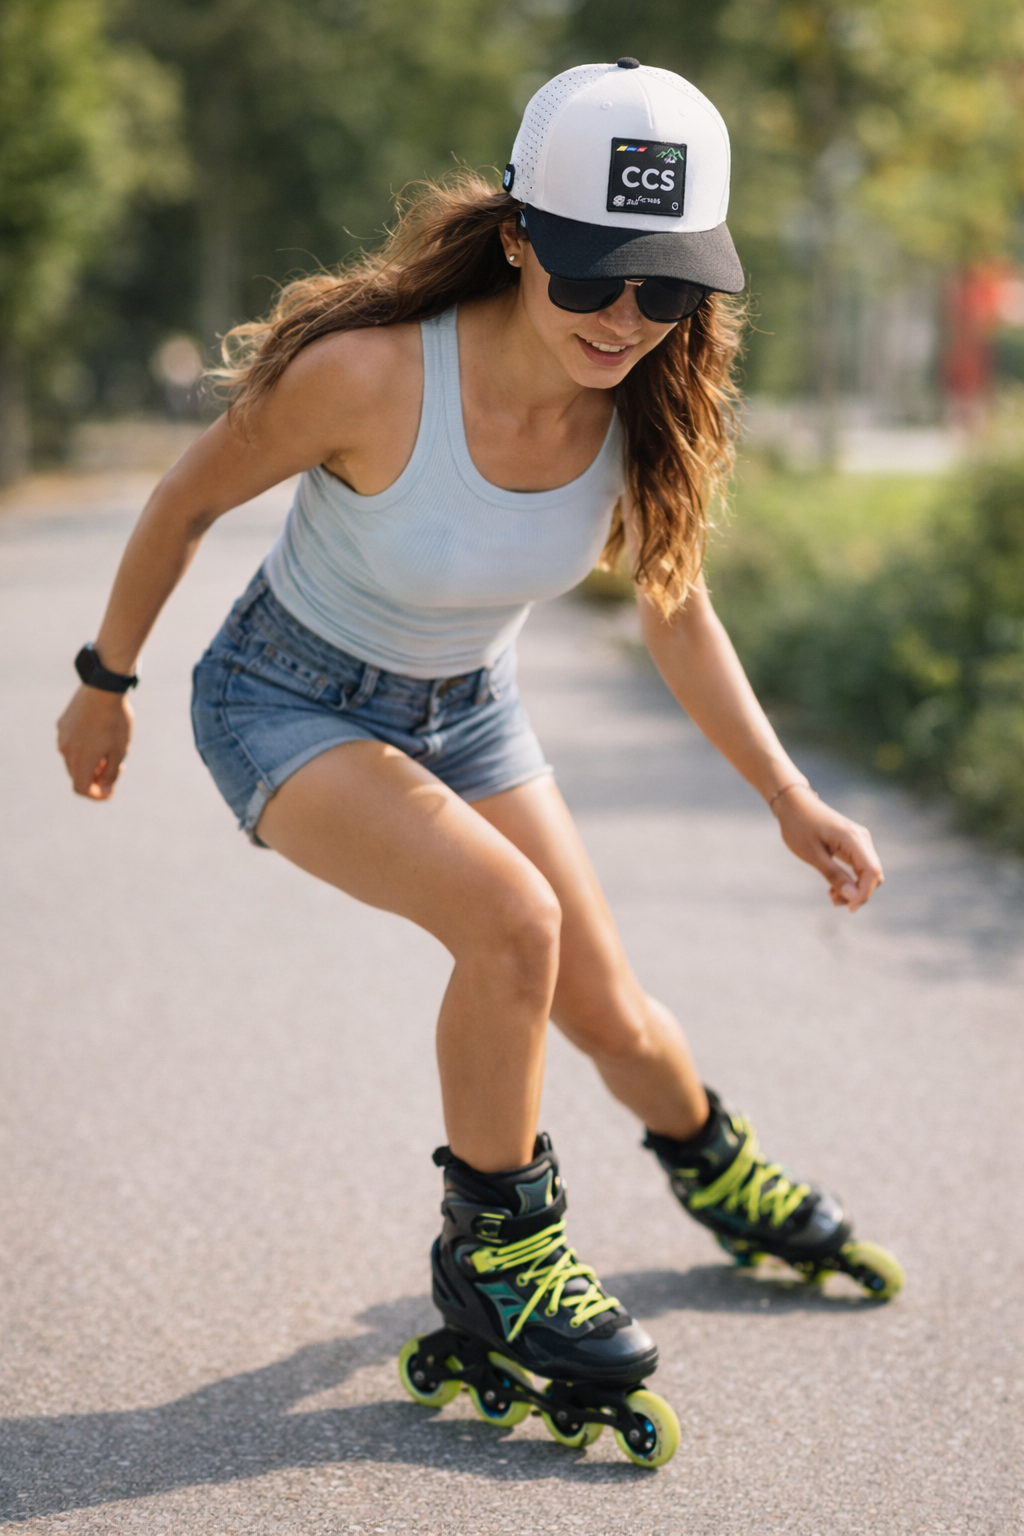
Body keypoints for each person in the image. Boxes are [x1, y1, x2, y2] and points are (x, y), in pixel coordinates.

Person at [56, 60, 901, 1466]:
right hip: (284, 698)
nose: (626, 320)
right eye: (594, 278)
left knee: (610, 1009)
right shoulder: (369, 376)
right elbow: (184, 500)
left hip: (468, 704)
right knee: (514, 922)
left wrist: (787, 793)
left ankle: (718, 1170)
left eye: (669, 288)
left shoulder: (647, 407)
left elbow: (677, 608)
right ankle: (501, 1254)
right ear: (520, 239)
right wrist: (104, 682)